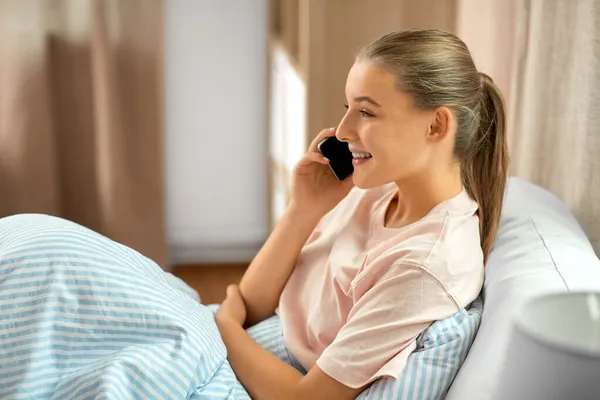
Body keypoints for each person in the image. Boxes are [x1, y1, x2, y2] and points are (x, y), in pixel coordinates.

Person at [215, 29, 509, 399]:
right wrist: (303, 210)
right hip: (253, 346)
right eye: (347, 108)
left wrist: (224, 329)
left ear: (436, 125)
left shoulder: (423, 266)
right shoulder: (375, 188)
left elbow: (307, 397)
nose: (343, 130)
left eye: (366, 112)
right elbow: (253, 303)